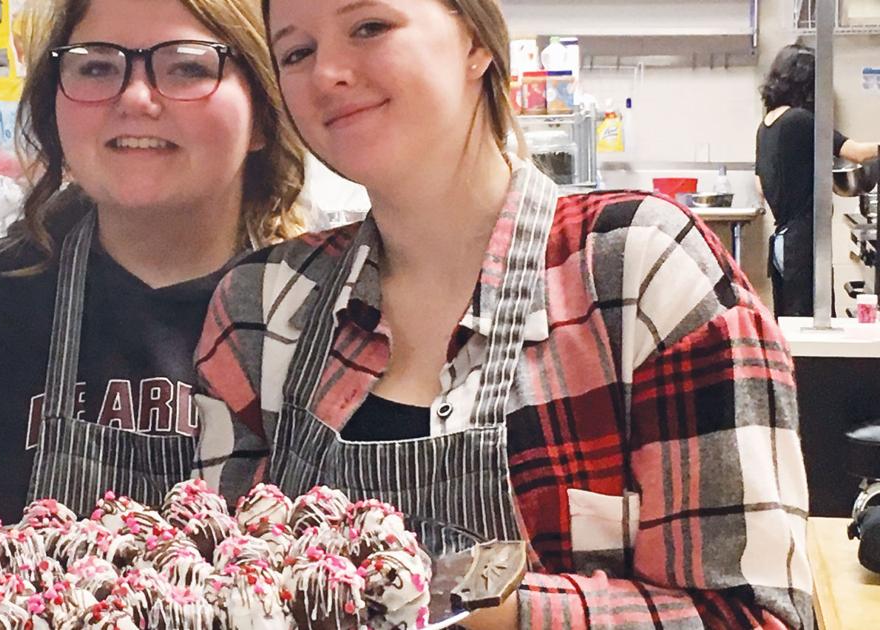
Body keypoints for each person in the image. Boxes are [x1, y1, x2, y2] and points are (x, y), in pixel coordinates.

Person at [193, 0, 813, 627]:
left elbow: (757, 615)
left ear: (476, 42)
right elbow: (214, 592)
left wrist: (478, 608)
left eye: (369, 27)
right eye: (297, 52)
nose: (327, 74)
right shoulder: (264, 306)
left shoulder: (642, 275)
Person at [0, 0, 305, 579]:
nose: (136, 97)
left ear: (265, 113)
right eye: (95, 67)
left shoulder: (328, 324)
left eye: (188, 66)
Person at [756, 43, 879, 317]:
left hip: (781, 243)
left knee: (790, 327)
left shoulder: (766, 125)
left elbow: (760, 185)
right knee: (816, 327)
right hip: (802, 244)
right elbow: (856, 153)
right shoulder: (801, 120)